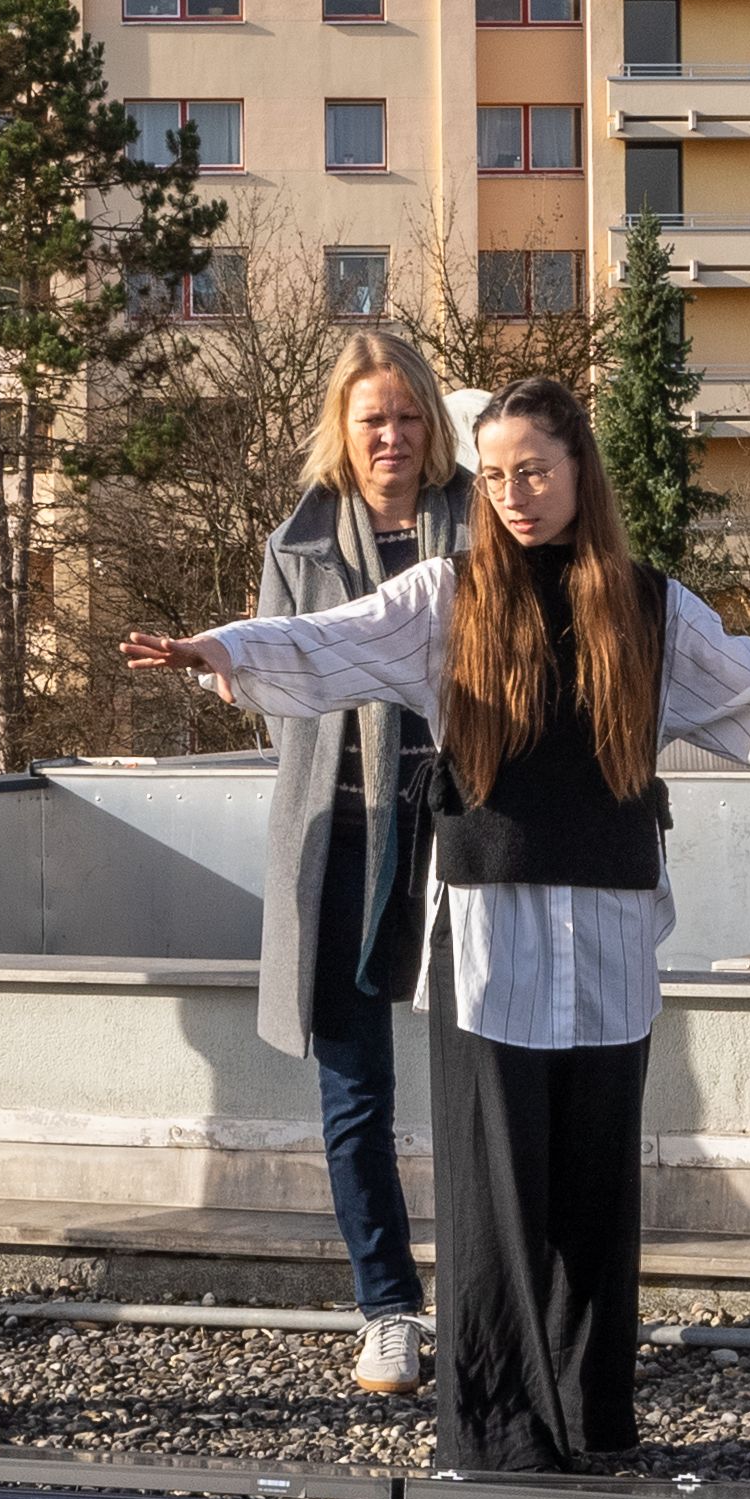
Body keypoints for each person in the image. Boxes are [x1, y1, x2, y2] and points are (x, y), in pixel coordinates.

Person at [125, 376, 750, 1474]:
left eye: (534, 470)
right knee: (495, 1192)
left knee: (593, 1189)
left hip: (614, 934)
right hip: (490, 937)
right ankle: (494, 1436)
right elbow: (331, 641)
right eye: (495, 476)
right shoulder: (446, 597)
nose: (515, 494)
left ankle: (592, 1425)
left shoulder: (650, 603)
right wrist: (223, 650)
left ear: (579, 471)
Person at [248, 327, 474, 1399]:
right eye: (371, 418)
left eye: (408, 416)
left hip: (463, 829)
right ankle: (387, 1309)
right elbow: (272, 691)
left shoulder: (486, 524)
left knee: (484, 1076)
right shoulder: (294, 544)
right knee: (356, 1092)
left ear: (433, 424)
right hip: (338, 839)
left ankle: (488, 1299)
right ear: (340, 429)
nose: (391, 435)